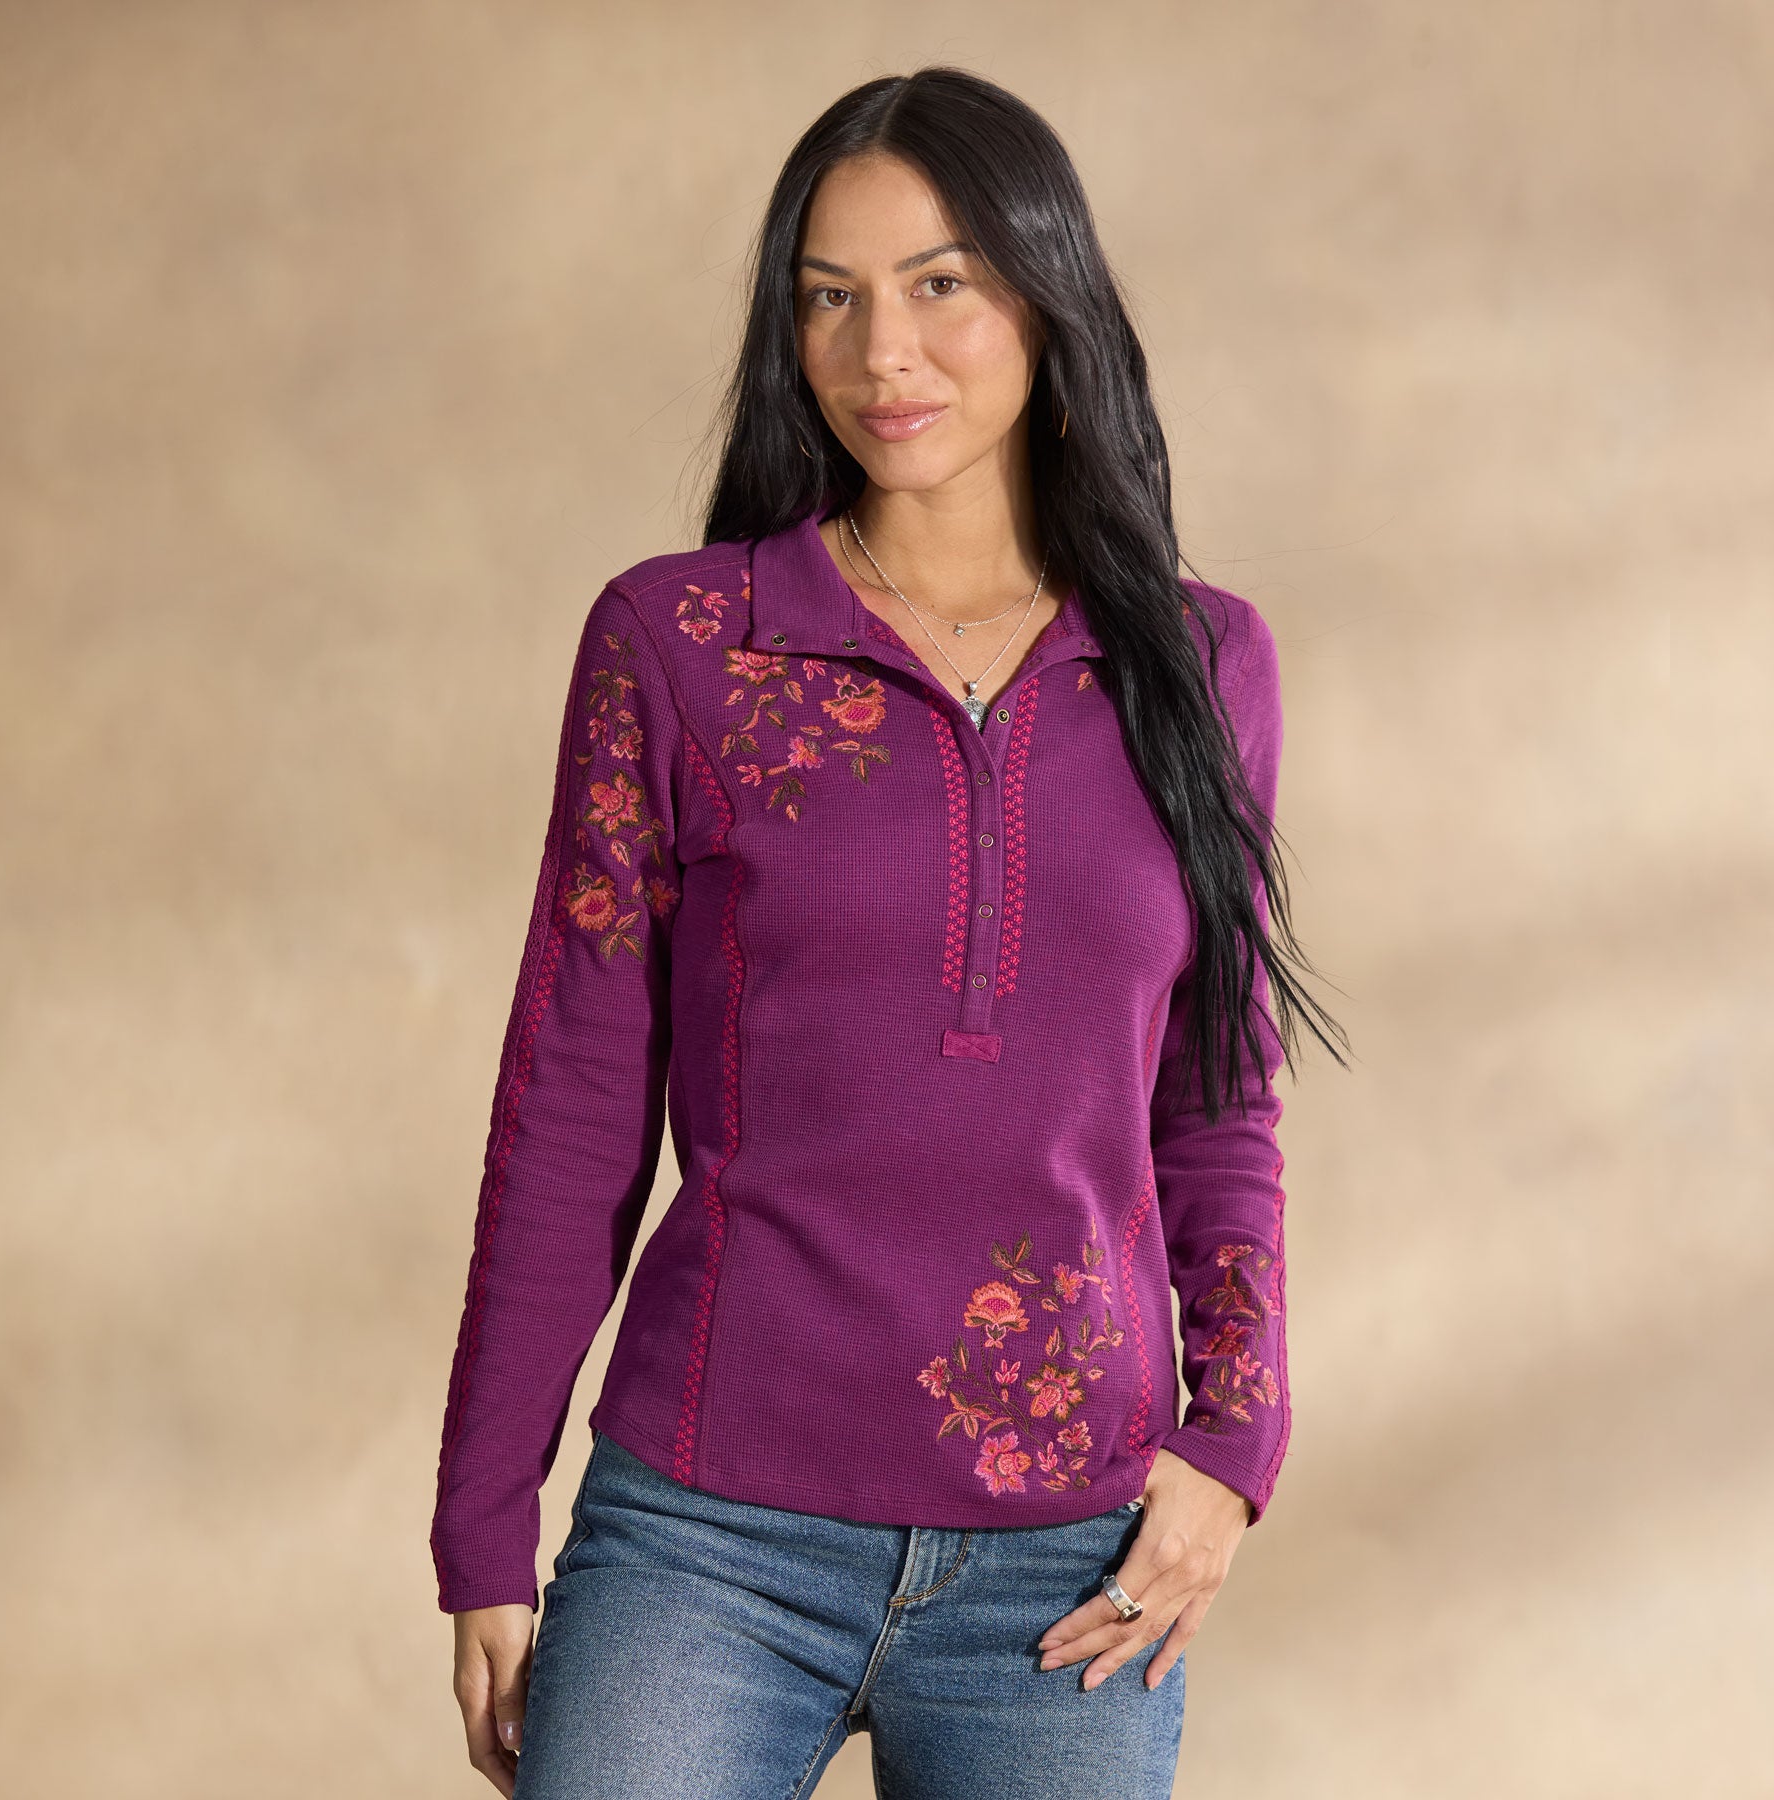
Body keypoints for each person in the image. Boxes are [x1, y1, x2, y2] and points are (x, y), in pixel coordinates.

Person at [432, 65, 1348, 1800]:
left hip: (1068, 1557)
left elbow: (1217, 1101)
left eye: (941, 284)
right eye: (829, 299)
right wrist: (483, 1522)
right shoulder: (680, 647)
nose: (883, 354)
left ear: (1049, 296)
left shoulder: (1202, 665)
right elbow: (571, 1108)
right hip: (707, 1533)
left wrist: (1234, 1442)